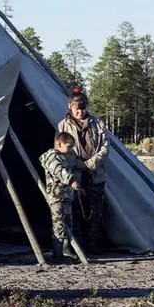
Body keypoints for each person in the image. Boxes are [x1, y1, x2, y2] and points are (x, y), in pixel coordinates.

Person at [58, 88, 109, 253]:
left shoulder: (97, 124)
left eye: (83, 108)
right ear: (70, 107)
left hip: (96, 174)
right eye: (76, 108)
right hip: (76, 174)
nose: (80, 112)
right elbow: (62, 149)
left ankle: (93, 243)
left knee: (96, 210)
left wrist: (92, 162)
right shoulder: (63, 125)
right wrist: (79, 164)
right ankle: (78, 245)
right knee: (76, 210)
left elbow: (105, 146)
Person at [40, 132, 82, 262]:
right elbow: (59, 171)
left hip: (66, 196)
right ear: (59, 144)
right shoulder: (52, 157)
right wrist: (71, 181)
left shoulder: (63, 157)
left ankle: (66, 250)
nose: (70, 150)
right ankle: (58, 254)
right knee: (58, 224)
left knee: (68, 223)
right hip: (57, 196)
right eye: (69, 146)